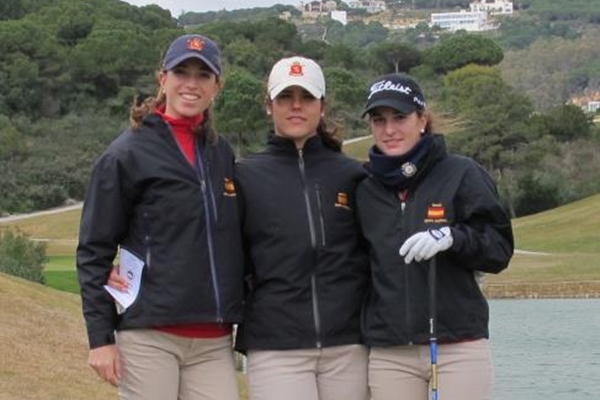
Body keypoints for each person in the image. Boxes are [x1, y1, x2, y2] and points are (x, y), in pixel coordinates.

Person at [76, 34, 244, 400]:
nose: (191, 83)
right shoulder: (126, 154)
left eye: (203, 75)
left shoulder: (221, 152)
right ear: (162, 79)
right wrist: (100, 339)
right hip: (149, 334)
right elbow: (93, 250)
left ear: (216, 86)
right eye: (181, 72)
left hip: (213, 338)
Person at [356, 73, 514, 400]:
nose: (389, 129)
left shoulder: (461, 173)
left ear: (422, 120)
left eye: (400, 117)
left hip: (457, 344)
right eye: (379, 120)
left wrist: (454, 238)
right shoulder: (363, 187)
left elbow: (498, 249)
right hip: (389, 351)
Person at [233, 56, 370, 400]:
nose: (296, 106)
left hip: (348, 343)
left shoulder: (353, 175)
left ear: (322, 106)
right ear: (269, 105)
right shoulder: (244, 175)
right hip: (275, 344)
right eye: (285, 97)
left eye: (307, 97)